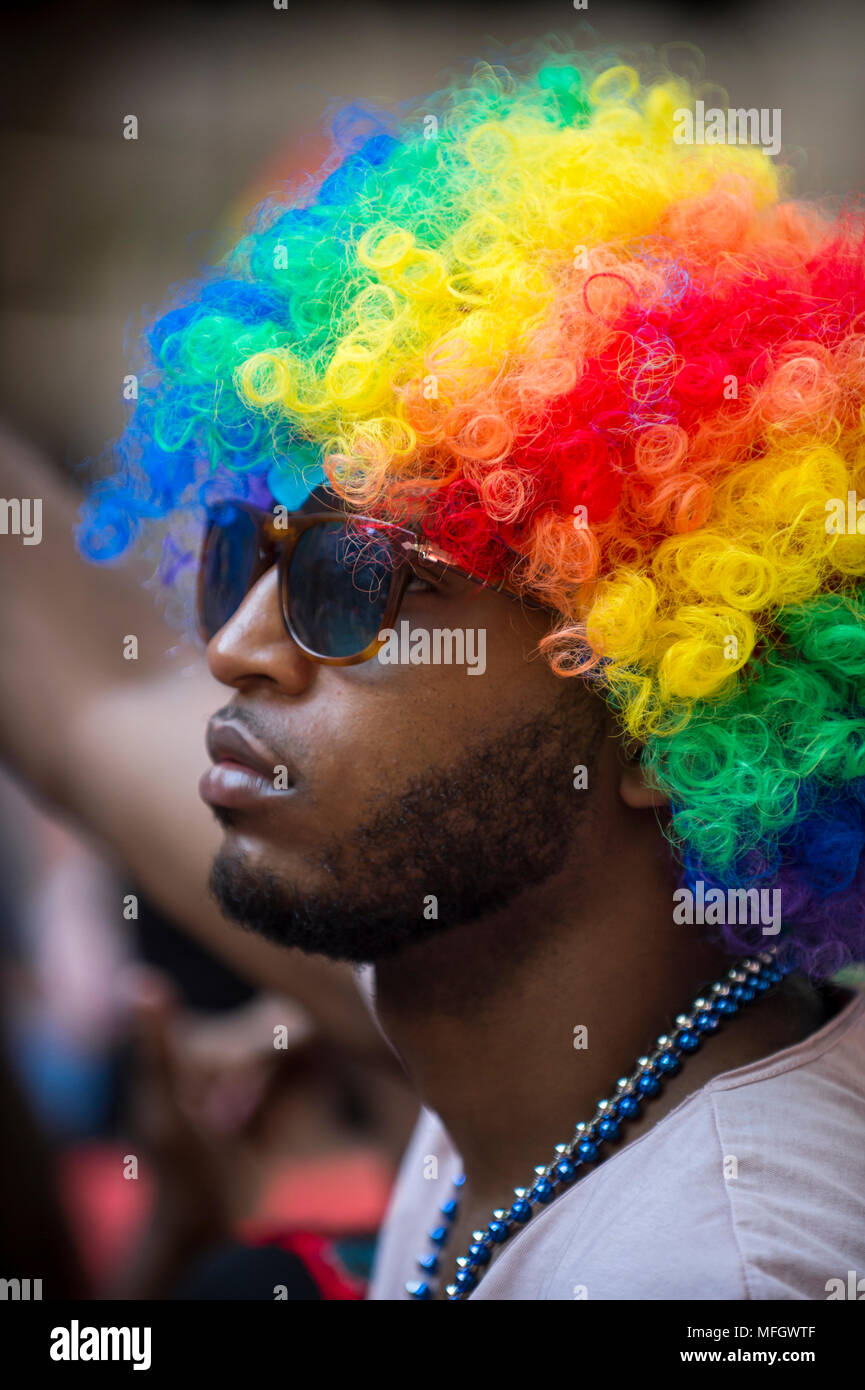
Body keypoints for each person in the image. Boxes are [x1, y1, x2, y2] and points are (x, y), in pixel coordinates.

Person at [5, 44, 865, 1300]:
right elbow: (89, 701)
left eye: (353, 584)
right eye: (242, 554)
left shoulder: (712, 1267)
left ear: (650, 706)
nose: (237, 647)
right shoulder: (510, 1018)